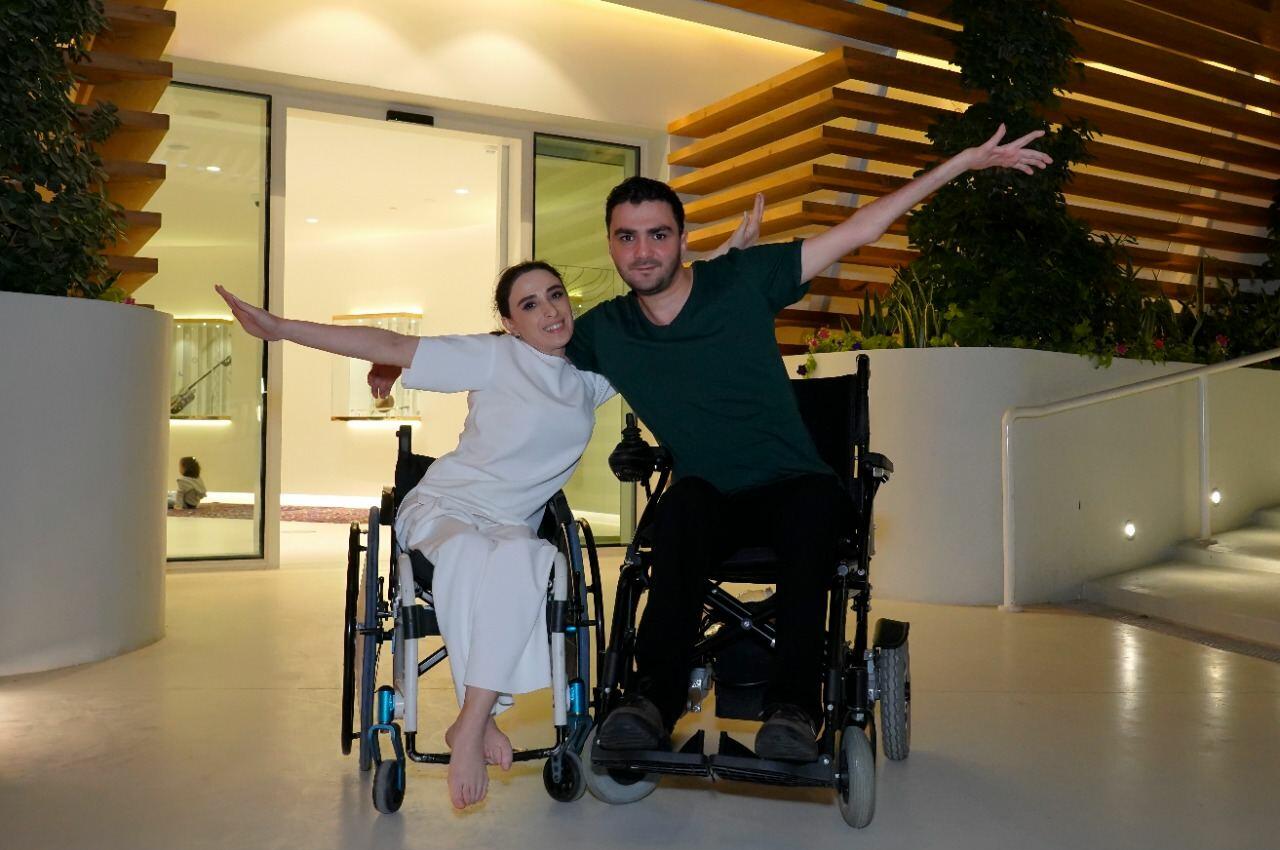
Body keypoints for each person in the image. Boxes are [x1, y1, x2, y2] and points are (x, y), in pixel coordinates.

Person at [566, 124, 1051, 761]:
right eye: (626, 237)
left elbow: (861, 228)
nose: (642, 251)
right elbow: (523, 352)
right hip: (708, 494)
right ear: (610, 244)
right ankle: (649, 701)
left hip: (792, 485)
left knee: (814, 508)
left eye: (658, 234)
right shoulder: (606, 330)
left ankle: (793, 709)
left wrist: (960, 164)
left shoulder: (743, 280)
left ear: (682, 240)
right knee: (678, 510)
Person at [215, 265, 615, 811]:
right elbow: (390, 344)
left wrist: (719, 260)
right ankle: (478, 723)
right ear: (509, 323)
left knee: (529, 556)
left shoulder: (589, 382)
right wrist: (281, 328)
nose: (549, 310)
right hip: (445, 507)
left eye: (555, 295)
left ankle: (468, 722)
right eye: (529, 304)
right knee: (470, 552)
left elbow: (670, 318)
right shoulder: (497, 356)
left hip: (510, 523)